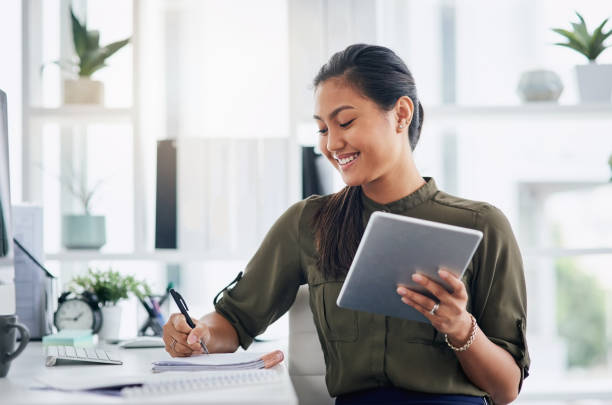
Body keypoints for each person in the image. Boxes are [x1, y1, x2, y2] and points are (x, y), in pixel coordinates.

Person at [162, 44, 530, 404]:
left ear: (401, 114)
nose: (332, 143)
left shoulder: (483, 225)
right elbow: (234, 320)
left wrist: (460, 327)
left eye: (346, 122)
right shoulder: (307, 223)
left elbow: (505, 389)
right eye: (322, 129)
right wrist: (198, 335)